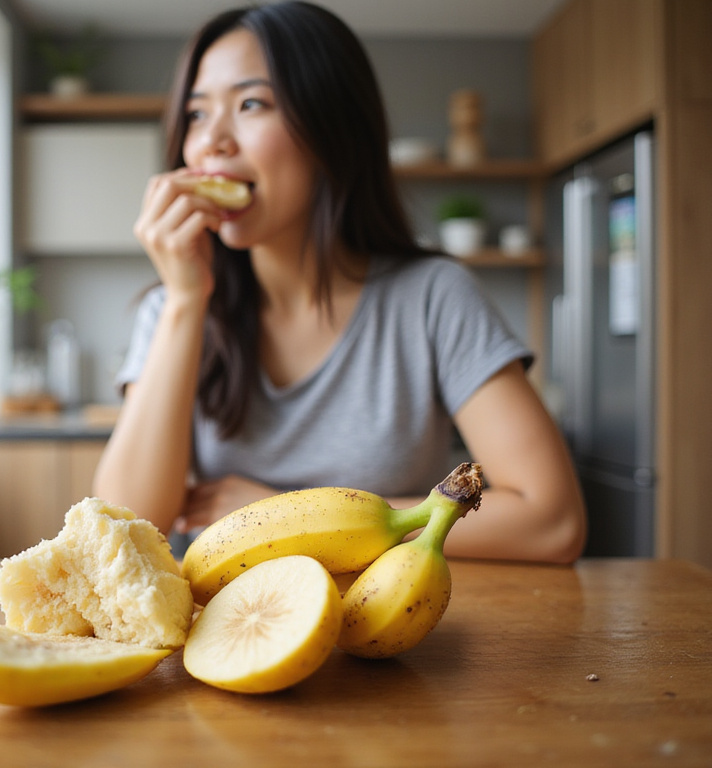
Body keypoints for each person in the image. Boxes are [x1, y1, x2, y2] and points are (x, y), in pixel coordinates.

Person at [93, 1, 586, 564]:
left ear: (331, 128)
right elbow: (125, 529)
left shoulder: (433, 297)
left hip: (387, 629)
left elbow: (553, 521)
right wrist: (185, 302)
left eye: (251, 103)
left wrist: (284, 512)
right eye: (197, 114)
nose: (212, 142)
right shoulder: (173, 305)